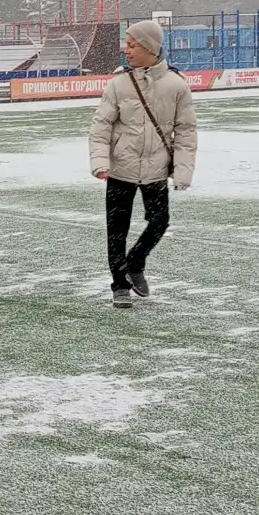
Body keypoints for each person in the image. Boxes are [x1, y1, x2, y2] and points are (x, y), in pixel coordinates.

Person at [88, 19, 198, 308]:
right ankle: (119, 285)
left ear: (150, 47)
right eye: (127, 44)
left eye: (133, 44)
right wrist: (100, 161)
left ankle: (135, 262)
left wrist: (183, 171)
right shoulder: (118, 84)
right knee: (117, 229)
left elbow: (186, 131)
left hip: (156, 170)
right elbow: (101, 127)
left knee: (160, 222)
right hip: (120, 169)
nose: (127, 50)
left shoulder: (177, 85)